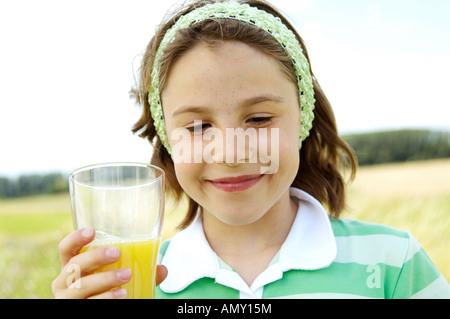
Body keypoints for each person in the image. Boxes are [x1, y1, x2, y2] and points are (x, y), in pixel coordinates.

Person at [52, 0, 450, 299]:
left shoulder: (394, 264)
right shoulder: (138, 285)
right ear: (168, 141)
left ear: (303, 121)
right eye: (197, 126)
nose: (229, 152)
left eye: (259, 120)